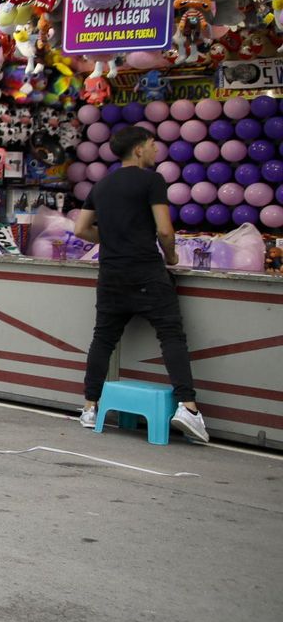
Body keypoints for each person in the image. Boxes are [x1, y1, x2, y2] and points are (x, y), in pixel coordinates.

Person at [72, 124, 208, 442]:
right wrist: (171, 256)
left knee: (103, 339)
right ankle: (188, 407)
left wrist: (113, 238)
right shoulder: (152, 180)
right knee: (171, 336)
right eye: (152, 144)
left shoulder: (101, 185)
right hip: (146, 272)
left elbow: (81, 229)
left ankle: (90, 406)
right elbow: (165, 230)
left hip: (111, 274)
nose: (156, 149)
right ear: (138, 149)